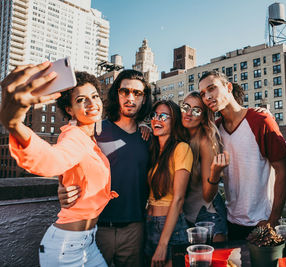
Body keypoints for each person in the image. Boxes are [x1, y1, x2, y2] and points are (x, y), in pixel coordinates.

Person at [0, 63, 117, 266]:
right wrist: (14, 124)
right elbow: (52, 159)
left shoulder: (91, 139)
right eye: (81, 100)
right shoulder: (73, 137)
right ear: (69, 109)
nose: (91, 103)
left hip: (88, 243)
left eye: (95, 96)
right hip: (66, 250)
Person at [58, 69, 152, 266]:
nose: (130, 97)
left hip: (135, 229)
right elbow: (70, 159)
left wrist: (147, 127)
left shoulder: (148, 137)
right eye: (124, 91)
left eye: (137, 93)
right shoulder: (96, 129)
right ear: (115, 94)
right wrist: (62, 186)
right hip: (97, 228)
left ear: (144, 99)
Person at [198, 70, 286, 240]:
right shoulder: (215, 130)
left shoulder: (261, 120)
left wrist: (272, 221)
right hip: (230, 222)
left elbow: (282, 170)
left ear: (228, 87)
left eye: (212, 88)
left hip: (262, 223)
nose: (207, 97)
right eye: (203, 94)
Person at [145, 100, 193, 267]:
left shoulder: (182, 148)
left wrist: (163, 245)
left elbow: (179, 199)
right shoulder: (153, 150)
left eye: (164, 116)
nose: (157, 119)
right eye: (154, 115)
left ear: (175, 122)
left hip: (171, 228)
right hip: (149, 223)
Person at [181, 91, 229, 242]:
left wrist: (215, 174)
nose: (189, 113)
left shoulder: (206, 140)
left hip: (209, 215)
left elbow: (208, 196)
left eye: (196, 110)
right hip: (187, 215)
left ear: (203, 117)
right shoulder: (180, 135)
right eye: (186, 107)